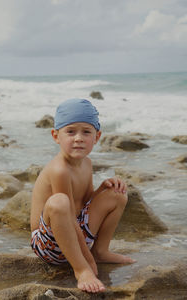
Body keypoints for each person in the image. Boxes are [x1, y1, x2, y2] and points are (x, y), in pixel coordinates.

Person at [30, 98, 135, 293]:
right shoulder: (59, 169)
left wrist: (103, 188)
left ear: (97, 137)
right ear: (56, 136)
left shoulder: (87, 163)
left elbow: (86, 201)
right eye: (70, 131)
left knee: (118, 194)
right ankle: (80, 270)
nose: (78, 138)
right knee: (59, 201)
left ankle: (100, 251)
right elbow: (67, 214)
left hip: (76, 229)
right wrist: (86, 263)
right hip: (49, 243)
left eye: (86, 132)